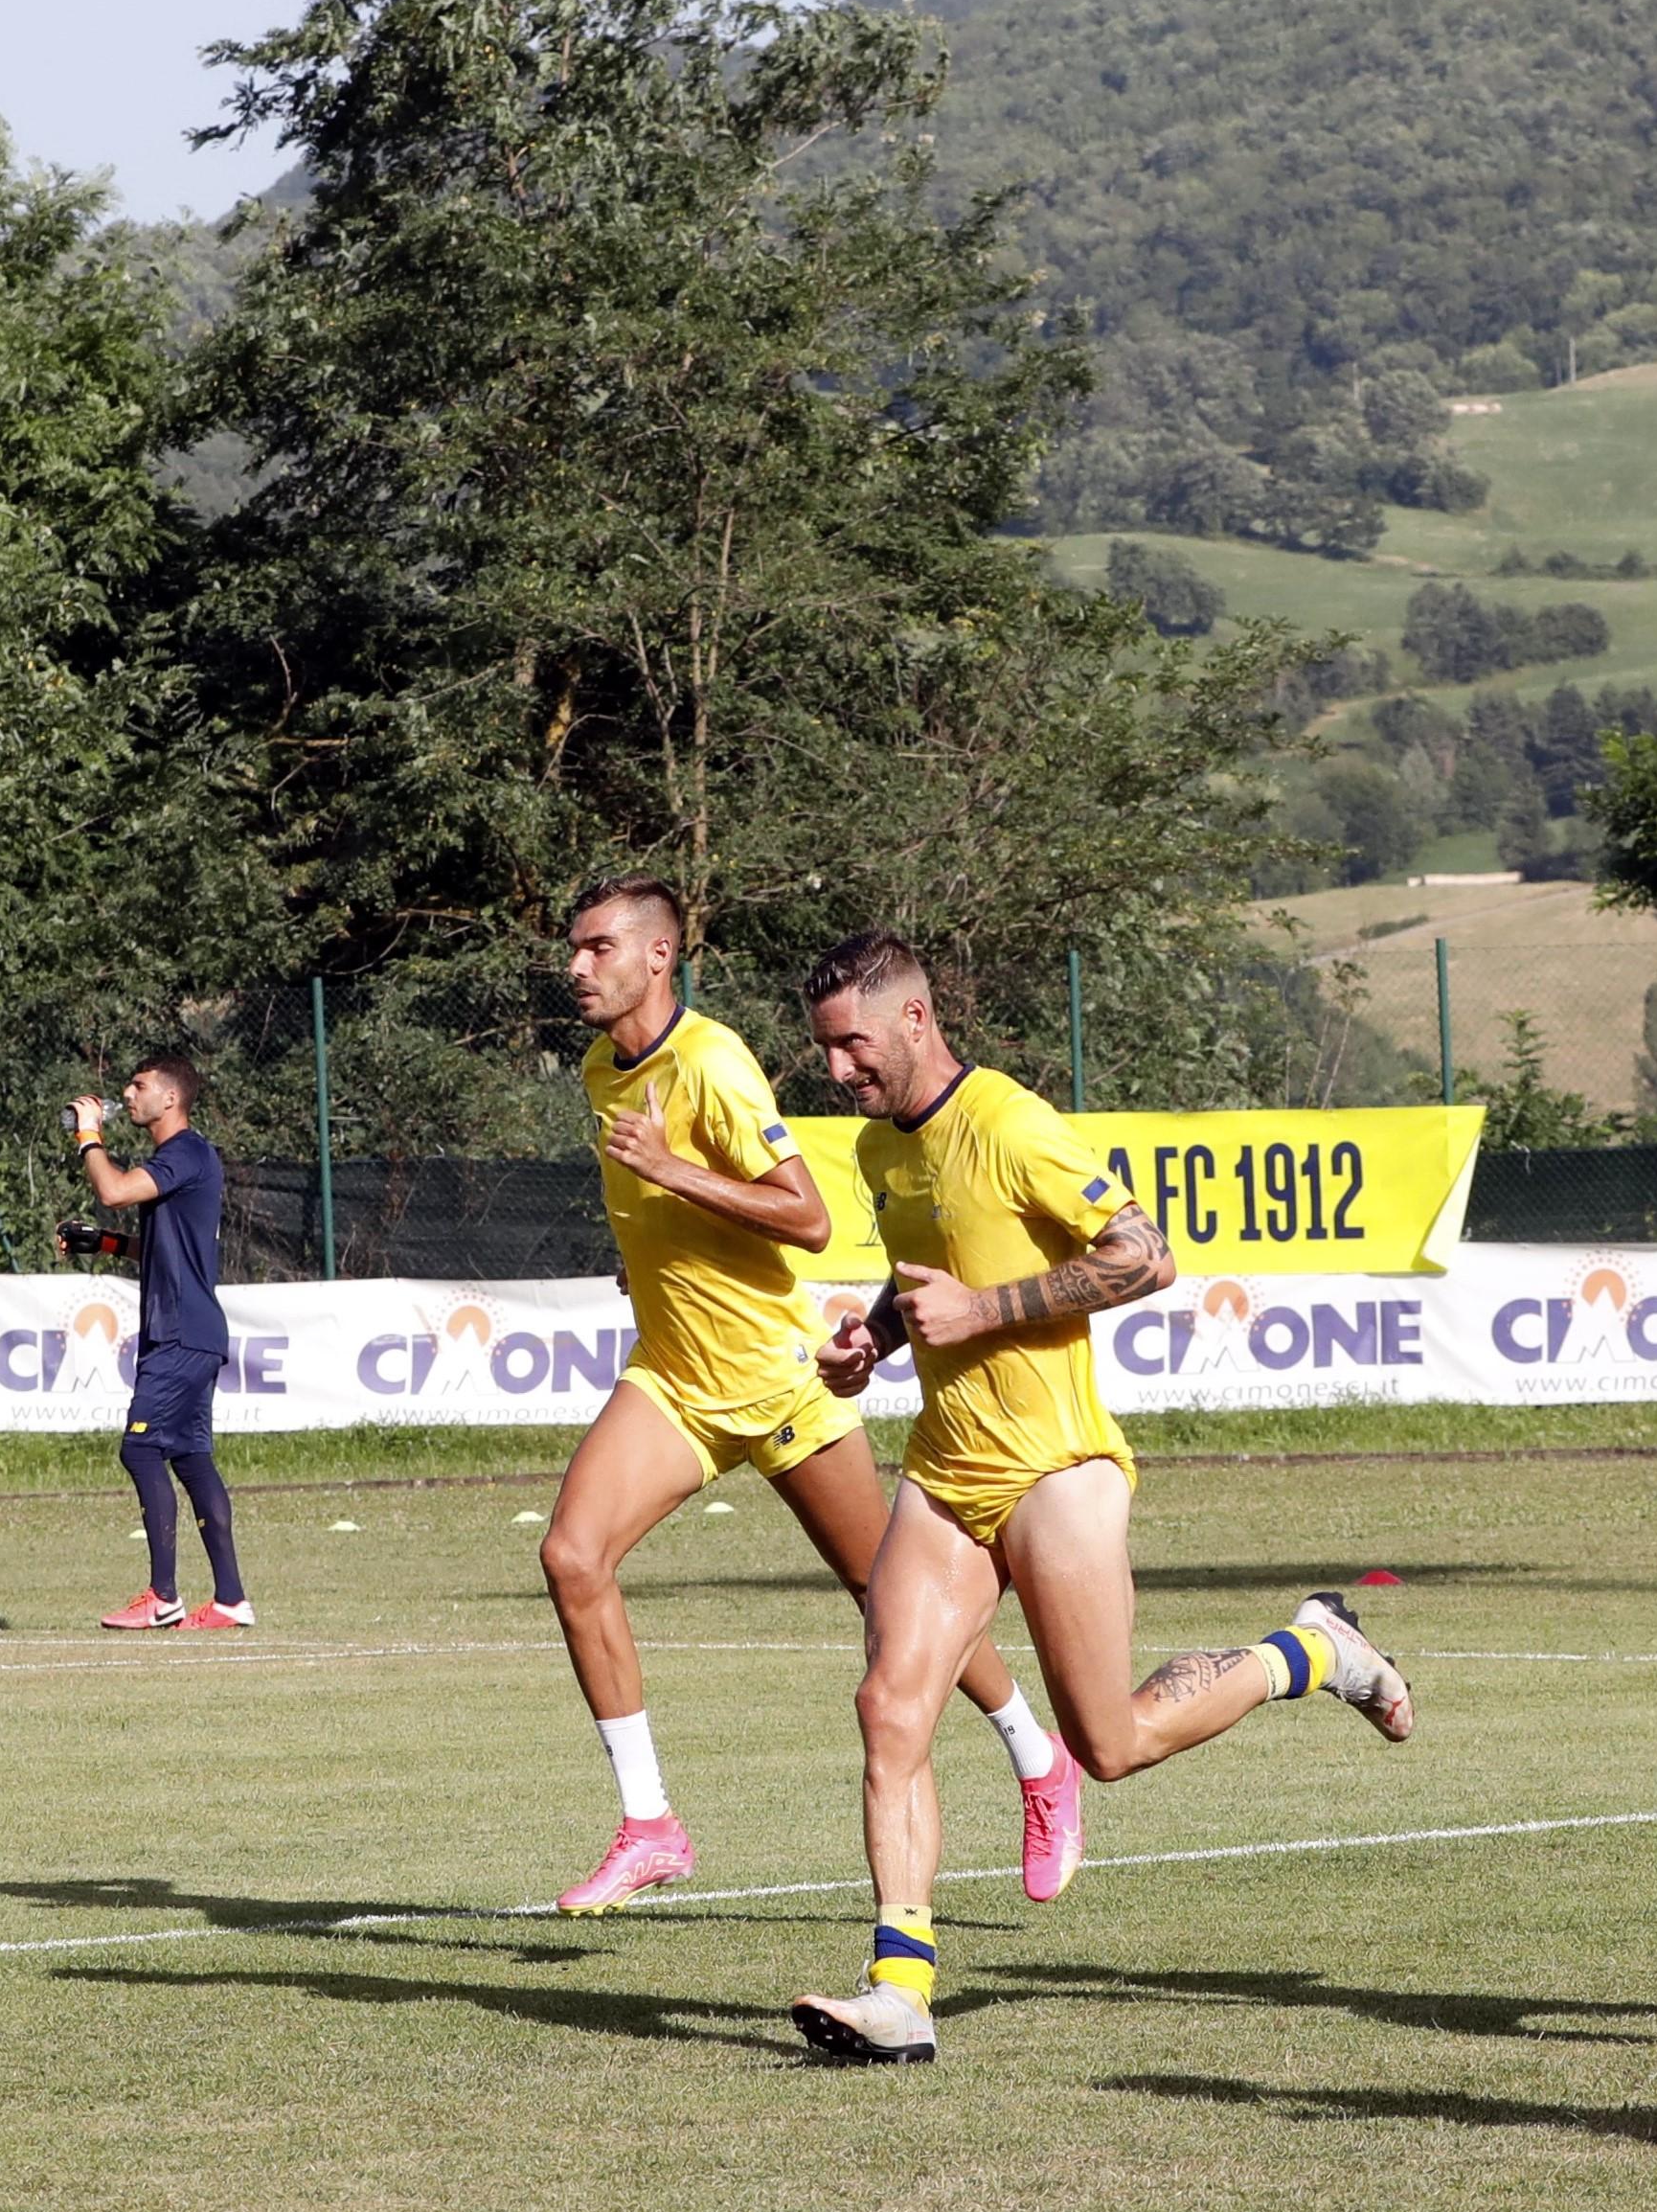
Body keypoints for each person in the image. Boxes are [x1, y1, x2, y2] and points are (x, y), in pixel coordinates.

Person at [787, 935, 1416, 2065]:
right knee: (889, 1706)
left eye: (852, 1045)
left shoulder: (1013, 1123)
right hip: (947, 1469)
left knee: (1110, 1742)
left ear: (917, 1021)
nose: (836, 1070)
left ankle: (1312, 1650)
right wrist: (870, 1341)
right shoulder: (885, 1147)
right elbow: (920, 1270)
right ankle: (899, 1988)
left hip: (1056, 1468)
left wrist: (985, 1312)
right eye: (825, 1048)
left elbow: (1146, 1254)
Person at [535, 877, 1076, 1917]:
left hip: (779, 1380)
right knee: (570, 1555)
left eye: (597, 947)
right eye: (574, 948)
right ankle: (650, 1824)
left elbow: (807, 1216)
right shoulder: (606, 1067)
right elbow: (670, 1202)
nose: (576, 965)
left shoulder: (713, 1061)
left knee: (891, 1600)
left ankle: (1038, 1758)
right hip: (676, 1377)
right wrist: (644, 1243)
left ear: (657, 956)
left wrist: (670, 1175)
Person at [75, 1053, 247, 1630]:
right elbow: (163, 1248)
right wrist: (104, 1245)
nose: (129, 1093)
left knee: (141, 1449)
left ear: (170, 1098)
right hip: (191, 1332)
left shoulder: (185, 1151)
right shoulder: (182, 1159)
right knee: (191, 1458)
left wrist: (88, 1135)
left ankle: (163, 1596)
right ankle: (229, 1600)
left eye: (140, 1085)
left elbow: (115, 1190)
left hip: (180, 1334)